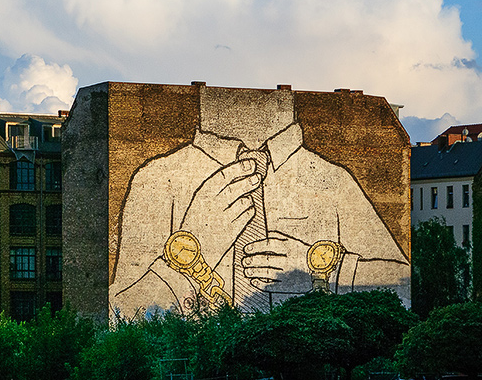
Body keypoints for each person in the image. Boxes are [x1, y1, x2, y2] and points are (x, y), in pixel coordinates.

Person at [111, 86, 410, 316]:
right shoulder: (156, 180)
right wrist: (194, 253)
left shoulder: (334, 181)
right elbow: (119, 314)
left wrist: (317, 272)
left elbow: (403, 289)